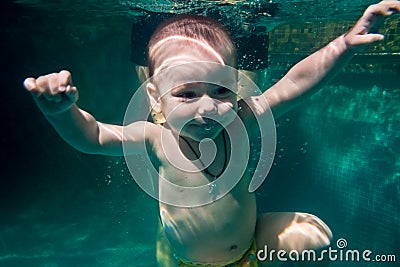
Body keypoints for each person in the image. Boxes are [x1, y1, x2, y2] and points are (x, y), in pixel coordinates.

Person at [23, 1, 400, 266]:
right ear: (154, 96)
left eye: (221, 92)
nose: (207, 108)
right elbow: (93, 137)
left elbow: (294, 84)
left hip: (251, 249)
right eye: (187, 94)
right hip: (190, 261)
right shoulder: (154, 138)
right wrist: (62, 112)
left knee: (317, 239)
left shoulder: (239, 123)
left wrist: (343, 45)